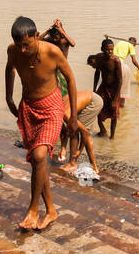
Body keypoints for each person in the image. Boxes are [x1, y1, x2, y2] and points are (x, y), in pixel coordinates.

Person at [4, 16, 76, 231]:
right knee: (38, 162)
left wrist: (72, 117)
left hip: (52, 106)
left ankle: (33, 209)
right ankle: (51, 211)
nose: (23, 50)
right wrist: (8, 97)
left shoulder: (51, 52)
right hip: (28, 107)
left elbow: (70, 78)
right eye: (20, 45)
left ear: (37, 36)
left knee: (39, 156)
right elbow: (10, 69)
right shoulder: (13, 51)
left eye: (27, 44)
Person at [42, 21, 100, 173]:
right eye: (54, 36)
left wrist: (61, 30)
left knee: (74, 126)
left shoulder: (63, 42)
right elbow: (36, 42)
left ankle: (75, 160)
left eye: (58, 36)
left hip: (63, 72)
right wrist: (48, 29)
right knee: (69, 123)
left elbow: (73, 43)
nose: (56, 39)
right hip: (56, 74)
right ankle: (84, 161)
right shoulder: (49, 41)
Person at [88, 39, 123, 139]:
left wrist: (115, 99)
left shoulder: (116, 61)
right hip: (103, 86)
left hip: (114, 89)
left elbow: (120, 80)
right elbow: (97, 72)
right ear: (102, 49)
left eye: (112, 49)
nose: (110, 52)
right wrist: (94, 89)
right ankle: (102, 130)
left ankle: (112, 137)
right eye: (107, 50)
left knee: (114, 114)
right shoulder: (100, 57)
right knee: (96, 107)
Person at [112, 35, 139, 106]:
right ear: (134, 44)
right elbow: (134, 60)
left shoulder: (120, 42)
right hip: (119, 62)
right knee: (124, 84)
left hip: (111, 61)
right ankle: (122, 104)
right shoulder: (131, 46)